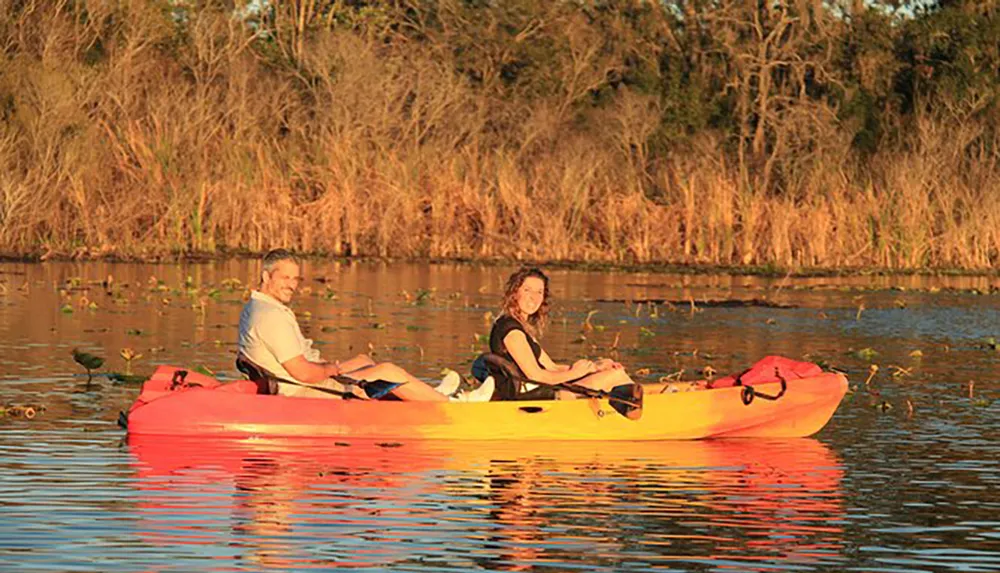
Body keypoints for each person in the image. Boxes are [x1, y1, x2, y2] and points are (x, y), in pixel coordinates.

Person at [238, 249, 493, 402]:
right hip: (303, 392)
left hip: (300, 383)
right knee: (389, 371)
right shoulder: (272, 315)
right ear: (266, 276)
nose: (292, 284)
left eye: (295, 278)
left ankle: (426, 394)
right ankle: (452, 405)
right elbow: (304, 373)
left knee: (363, 360)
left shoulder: (257, 306)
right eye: (285, 277)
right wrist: (337, 367)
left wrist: (340, 367)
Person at [488, 267, 633, 400]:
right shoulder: (511, 330)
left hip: (543, 390)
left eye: (539, 292)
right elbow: (536, 375)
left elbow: (552, 368)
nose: (534, 297)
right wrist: (575, 373)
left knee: (614, 375)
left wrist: (594, 367)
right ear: (515, 293)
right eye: (527, 290)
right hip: (534, 397)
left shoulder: (520, 328)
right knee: (615, 376)